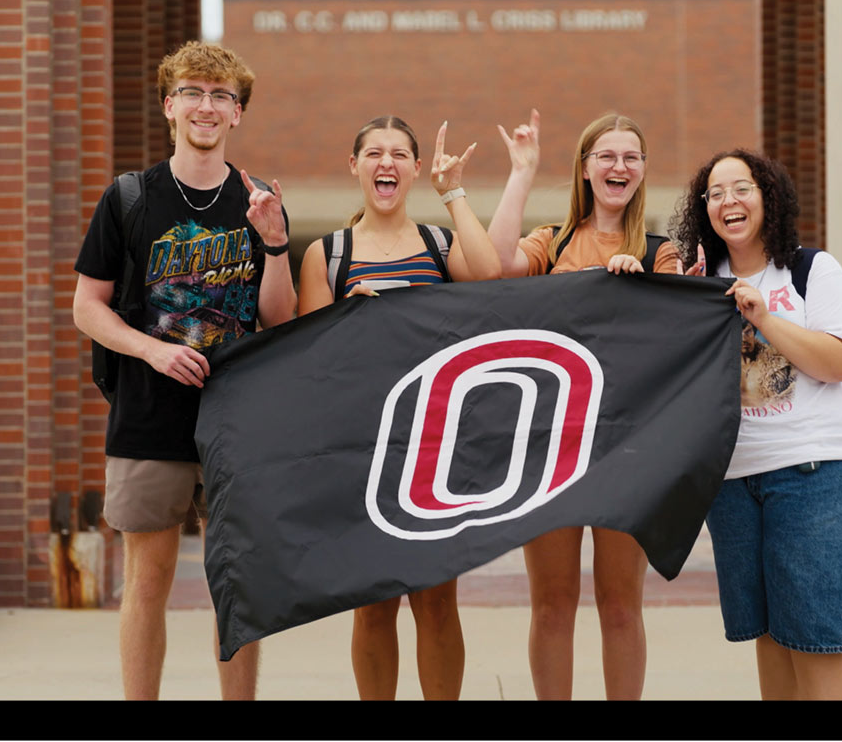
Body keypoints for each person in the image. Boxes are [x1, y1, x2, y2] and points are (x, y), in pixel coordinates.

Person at [72, 41, 297, 700]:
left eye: (221, 95)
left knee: (238, 585)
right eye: (194, 92)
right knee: (147, 581)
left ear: (237, 115)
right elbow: (88, 307)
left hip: (236, 424)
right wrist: (150, 349)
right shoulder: (129, 196)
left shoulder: (255, 203)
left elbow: (278, 317)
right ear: (171, 105)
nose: (207, 105)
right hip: (147, 417)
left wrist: (277, 241)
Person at [669, 148, 842, 700]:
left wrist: (763, 316)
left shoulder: (813, 270)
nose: (728, 201)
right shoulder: (699, 282)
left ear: (768, 197)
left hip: (823, 472)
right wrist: (669, 296)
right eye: (714, 194)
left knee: (815, 637)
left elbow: (841, 363)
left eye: (741, 188)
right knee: (767, 633)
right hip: (737, 481)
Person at [298, 115, 501, 700]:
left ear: (414, 168)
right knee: (373, 606)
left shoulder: (439, 244)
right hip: (363, 452)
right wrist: (346, 321)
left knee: (437, 602)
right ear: (355, 165)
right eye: (374, 154)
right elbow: (310, 368)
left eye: (398, 155)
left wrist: (453, 191)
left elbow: (488, 275)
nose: (385, 163)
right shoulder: (328, 256)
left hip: (436, 451)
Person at [486, 110, 680, 700]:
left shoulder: (661, 250)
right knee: (552, 605)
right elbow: (494, 268)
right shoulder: (553, 241)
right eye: (607, 156)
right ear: (587, 168)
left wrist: (644, 284)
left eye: (630, 157)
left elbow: (679, 331)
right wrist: (520, 172)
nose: (619, 166)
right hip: (551, 449)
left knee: (622, 606)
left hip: (631, 448)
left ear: (643, 170)